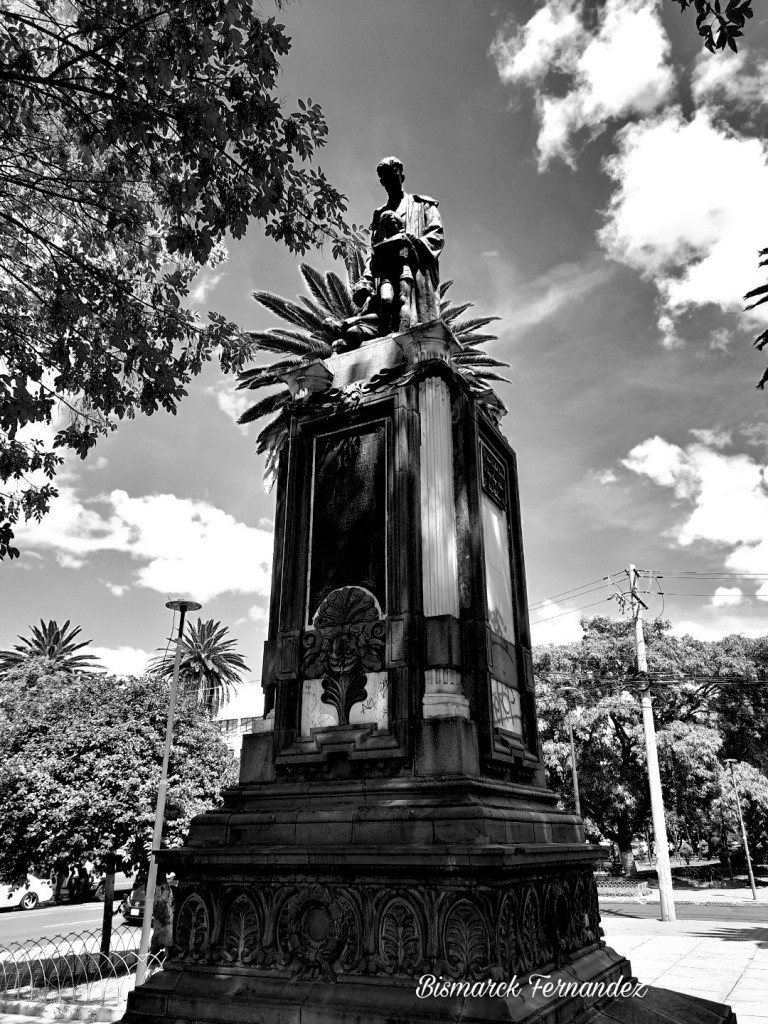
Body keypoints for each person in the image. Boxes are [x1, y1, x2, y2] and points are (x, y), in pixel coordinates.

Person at [358, 156, 444, 337]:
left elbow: (436, 236)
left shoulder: (423, 205)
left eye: (395, 177)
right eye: (387, 179)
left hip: (414, 273)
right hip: (387, 274)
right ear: (382, 183)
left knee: (413, 318)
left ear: (402, 178)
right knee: (386, 304)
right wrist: (366, 278)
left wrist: (415, 242)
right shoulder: (380, 215)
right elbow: (374, 251)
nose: (392, 182)